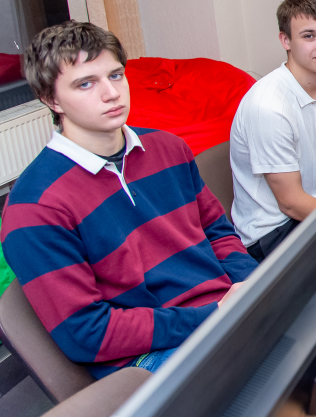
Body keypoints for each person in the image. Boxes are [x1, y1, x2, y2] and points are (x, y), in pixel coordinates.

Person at [0, 22, 256, 377]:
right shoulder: (34, 206)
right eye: (86, 84)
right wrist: (212, 315)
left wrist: (254, 285)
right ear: (51, 99)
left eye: (116, 75)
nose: (111, 93)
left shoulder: (169, 148)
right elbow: (87, 333)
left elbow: (217, 231)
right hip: (151, 353)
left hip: (225, 308)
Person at [230, 0, 316, 261]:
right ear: (285, 40)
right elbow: (290, 202)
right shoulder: (269, 105)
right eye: (309, 36)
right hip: (274, 231)